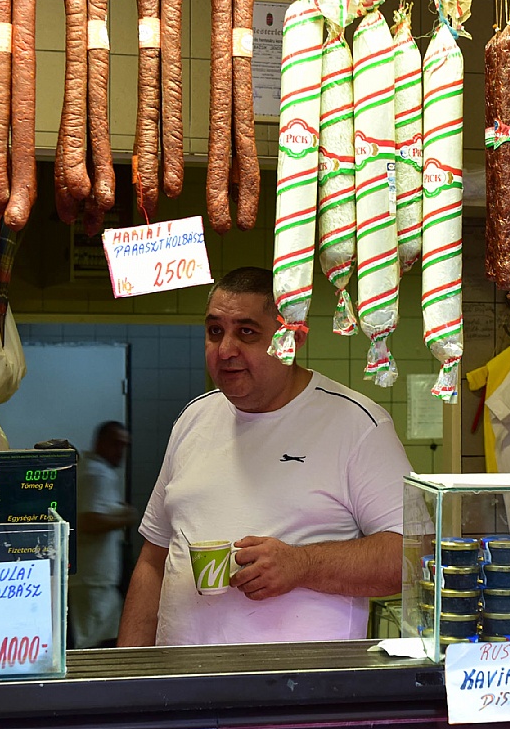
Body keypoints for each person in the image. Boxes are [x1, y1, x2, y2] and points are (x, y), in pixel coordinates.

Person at [118, 266, 410, 649]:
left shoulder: (357, 424)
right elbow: (153, 560)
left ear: (294, 337)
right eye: (215, 331)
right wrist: (129, 670)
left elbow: (412, 556)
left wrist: (302, 565)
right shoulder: (193, 418)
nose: (225, 350)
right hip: (182, 680)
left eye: (247, 332)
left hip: (299, 683)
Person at [69, 421, 133, 649]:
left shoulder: (95, 470)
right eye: (116, 444)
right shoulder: (97, 474)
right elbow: (88, 521)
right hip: (93, 580)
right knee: (93, 644)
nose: (120, 451)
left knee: (102, 637)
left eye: (124, 446)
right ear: (101, 442)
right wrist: (127, 517)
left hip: (95, 578)